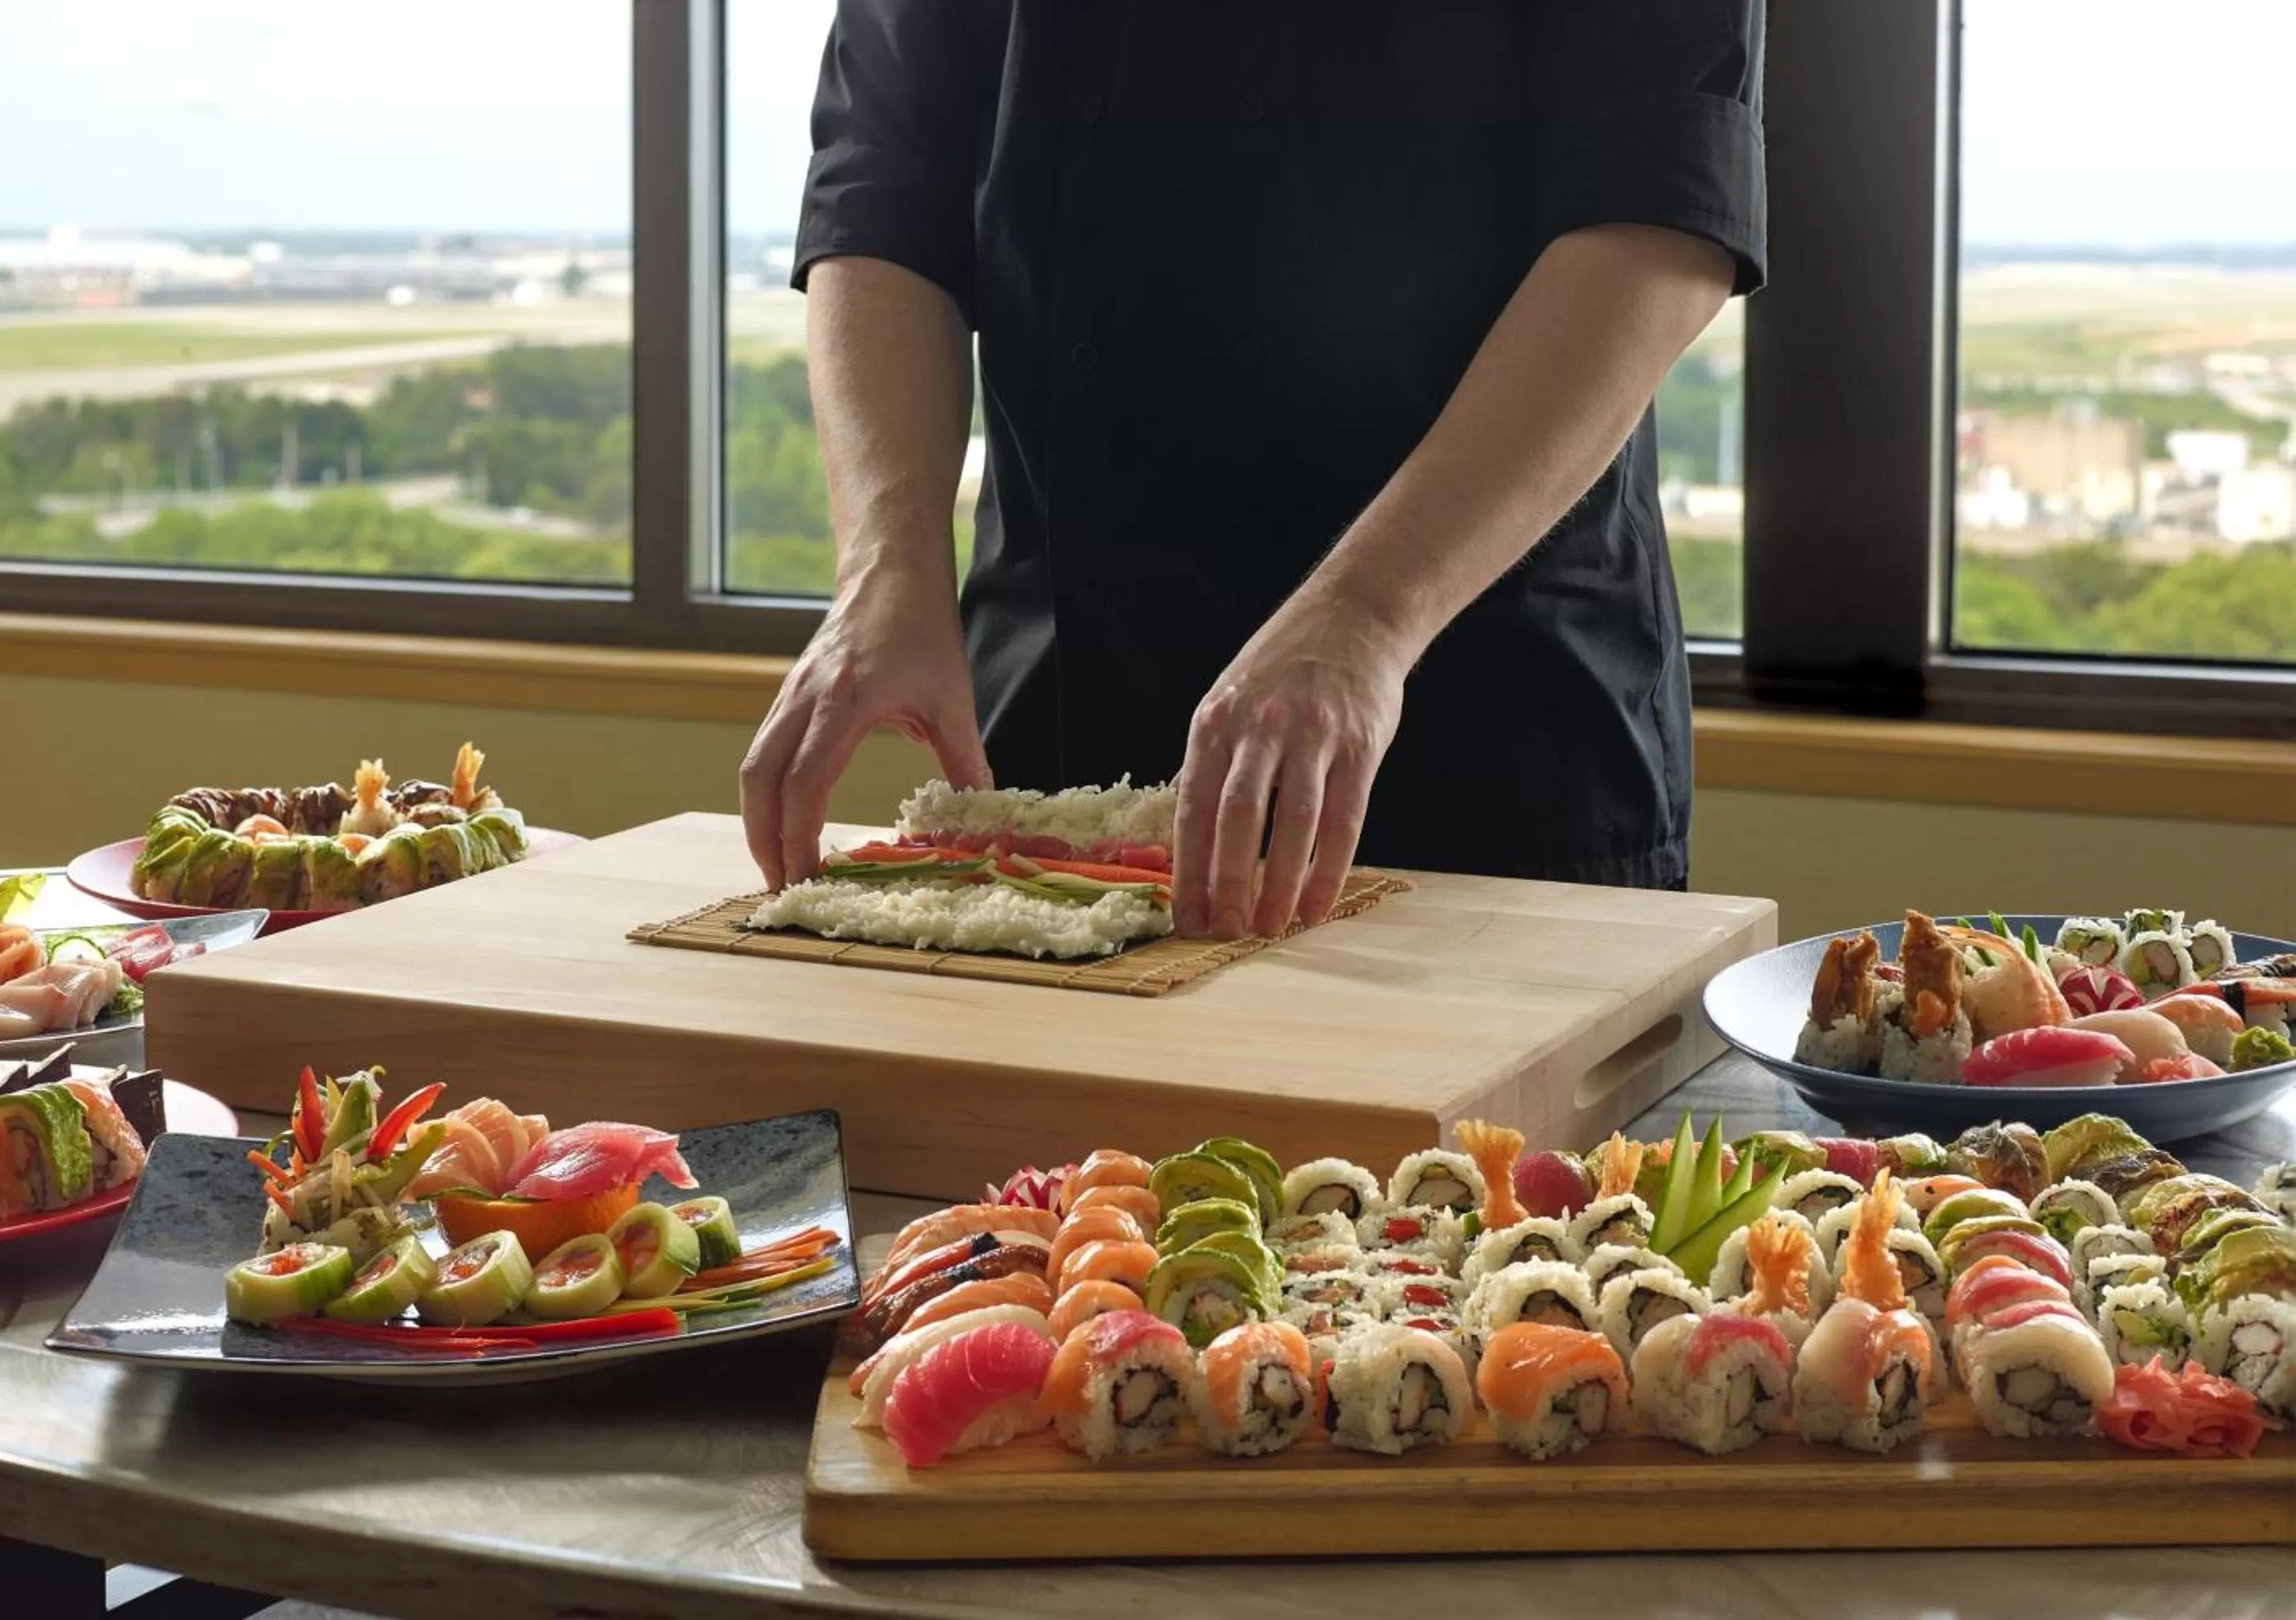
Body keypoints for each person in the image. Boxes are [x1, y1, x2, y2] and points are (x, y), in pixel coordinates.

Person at [741, 2, 1766, 940]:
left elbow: (1657, 222)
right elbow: (884, 194)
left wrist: (1365, 616)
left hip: (1479, 733)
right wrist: (887, 572)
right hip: (1059, 734)